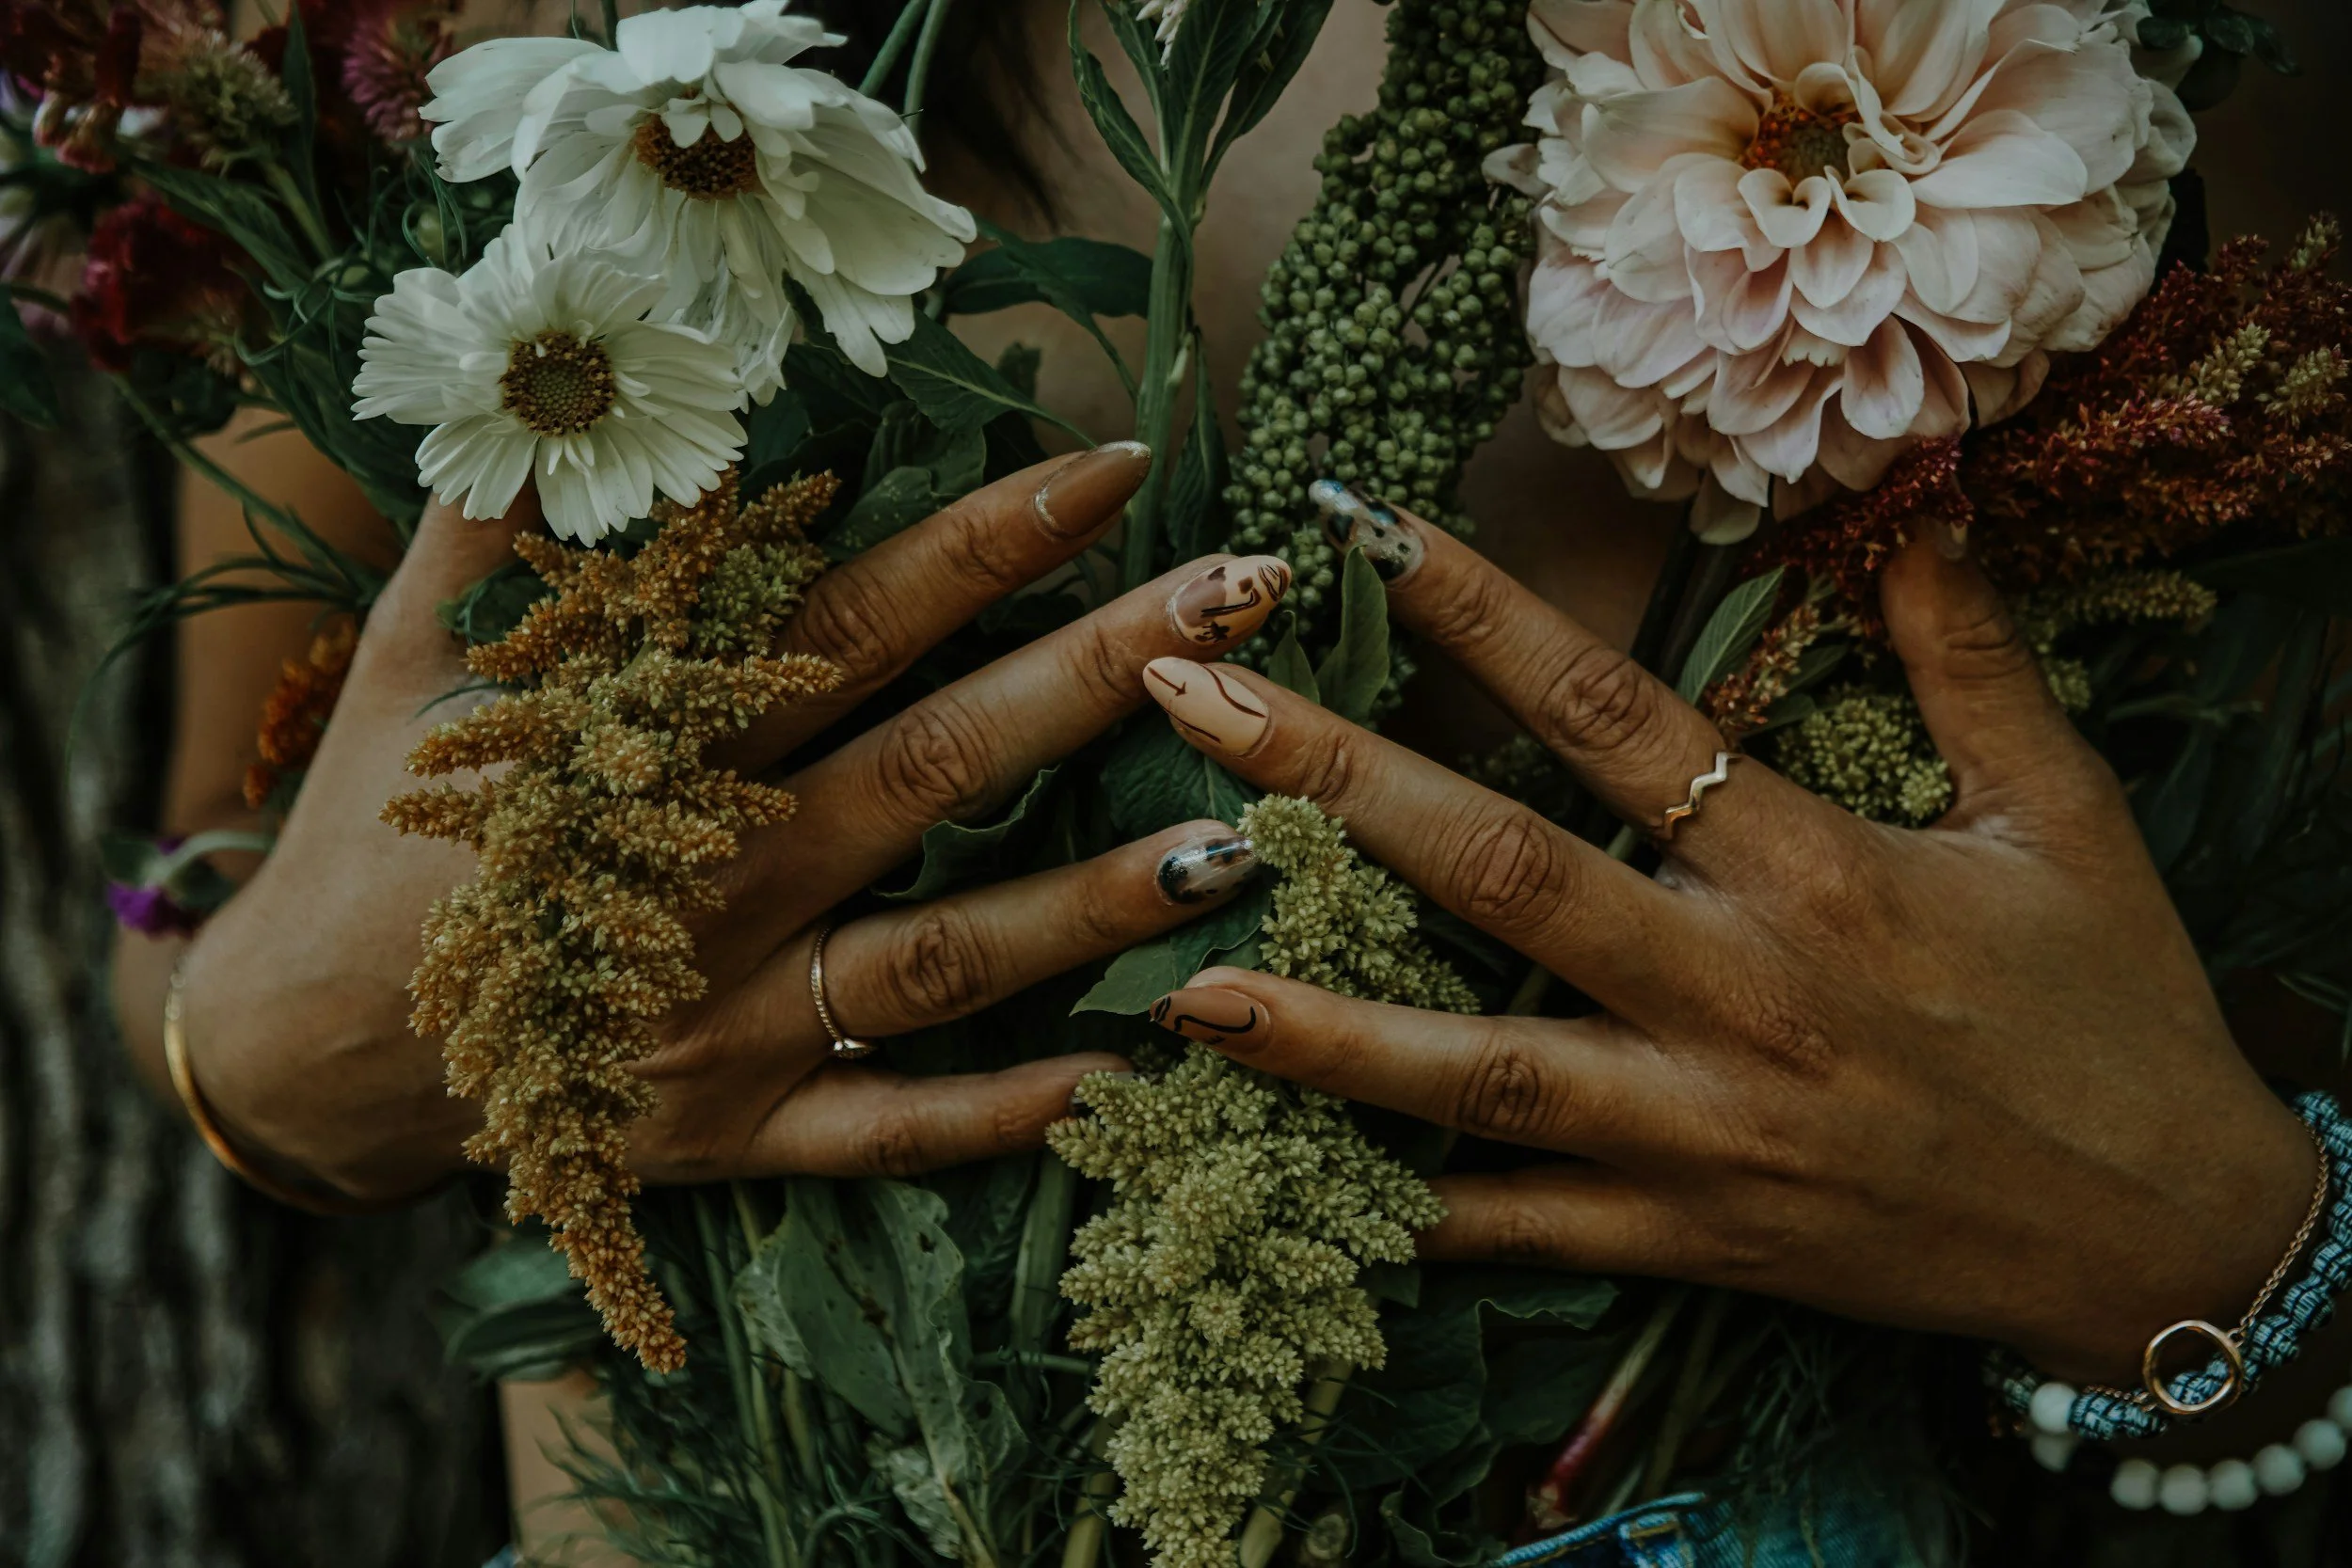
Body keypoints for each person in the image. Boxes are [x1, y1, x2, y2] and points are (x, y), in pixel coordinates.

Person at [107, 0, 2352, 1557]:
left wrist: (2217, 1268)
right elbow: (227, 836)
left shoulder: (2129, 88)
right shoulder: (500, 46)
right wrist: (272, 1058)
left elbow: (2205, 1067)